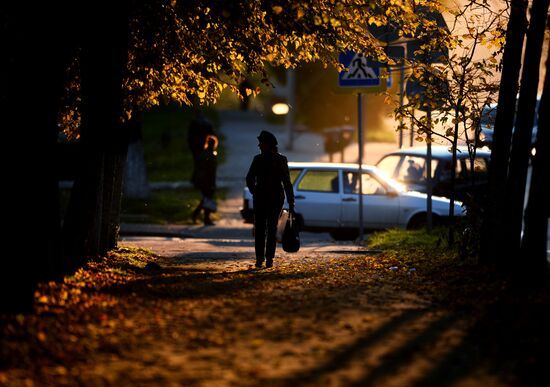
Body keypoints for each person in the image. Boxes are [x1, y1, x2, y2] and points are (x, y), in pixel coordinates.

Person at [246, 130, 295, 268]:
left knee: (262, 229)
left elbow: (250, 178)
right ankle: (267, 259)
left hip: (267, 199)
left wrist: (255, 191)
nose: (259, 145)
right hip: (272, 198)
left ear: (268, 144)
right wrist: (291, 201)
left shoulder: (261, 159)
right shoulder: (278, 159)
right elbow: (287, 182)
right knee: (270, 228)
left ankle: (262, 259)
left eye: (261, 142)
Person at [191, 134, 218, 226]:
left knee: (206, 199)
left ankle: (200, 216)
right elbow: (212, 171)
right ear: (214, 144)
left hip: (201, 180)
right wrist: (213, 183)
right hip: (208, 180)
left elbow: (197, 167)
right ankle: (203, 217)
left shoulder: (203, 153)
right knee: (207, 199)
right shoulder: (211, 155)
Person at [187, 110, 215, 185]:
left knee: (197, 162)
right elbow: (212, 134)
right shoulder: (207, 122)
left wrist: (191, 145)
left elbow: (190, 136)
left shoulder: (194, 123)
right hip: (204, 146)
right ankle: (199, 180)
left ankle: (196, 180)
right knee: (204, 163)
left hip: (196, 146)